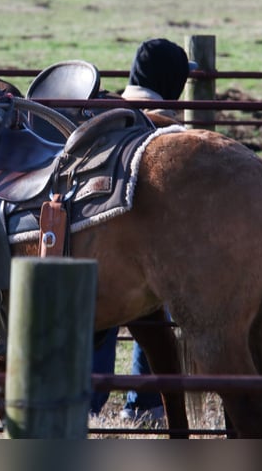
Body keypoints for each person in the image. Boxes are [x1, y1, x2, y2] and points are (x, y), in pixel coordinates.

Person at [90, 37, 196, 421]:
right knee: (155, 302)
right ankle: (145, 401)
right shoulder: (170, 135)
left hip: (96, 237)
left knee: (98, 302)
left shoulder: (104, 115)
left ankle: (90, 398)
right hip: (151, 240)